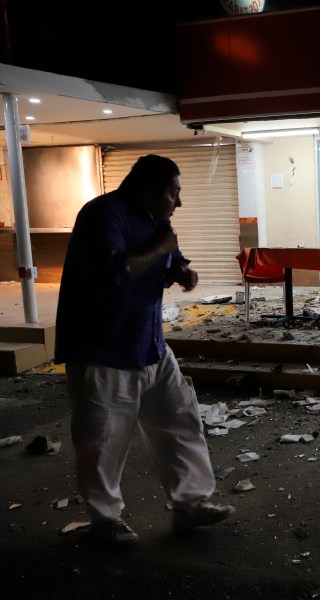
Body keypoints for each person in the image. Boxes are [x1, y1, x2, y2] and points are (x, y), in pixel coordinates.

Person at [55, 154, 234, 544]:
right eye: (174, 193)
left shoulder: (158, 219)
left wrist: (181, 271)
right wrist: (161, 251)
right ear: (148, 191)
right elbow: (112, 271)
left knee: (180, 421)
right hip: (104, 349)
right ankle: (106, 522)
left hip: (149, 344)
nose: (179, 202)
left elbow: (170, 258)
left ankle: (190, 505)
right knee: (103, 440)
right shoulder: (104, 215)